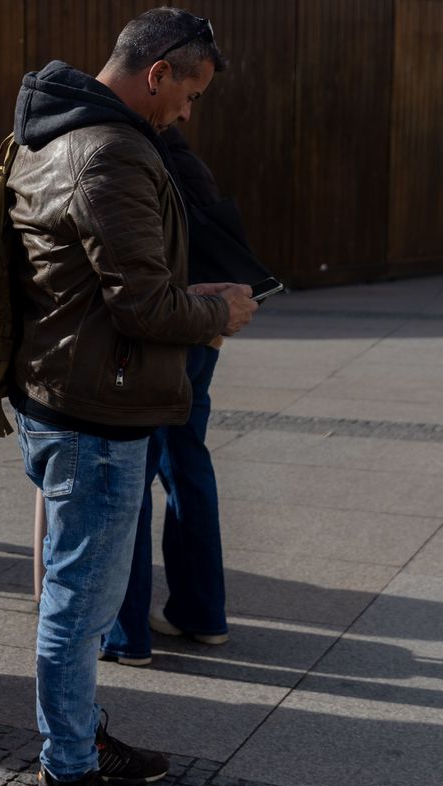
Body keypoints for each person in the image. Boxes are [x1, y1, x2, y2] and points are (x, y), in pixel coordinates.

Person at [8, 8, 256, 786]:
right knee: (81, 606)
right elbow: (141, 302)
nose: (189, 110)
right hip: (95, 412)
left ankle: (82, 736)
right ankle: (65, 780)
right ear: (158, 73)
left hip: (65, 393)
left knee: (87, 595)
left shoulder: (54, 128)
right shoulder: (110, 150)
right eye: (190, 90)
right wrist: (219, 306)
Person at [102, 123, 263, 667]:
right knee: (188, 461)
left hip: (160, 333)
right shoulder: (188, 165)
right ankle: (202, 613)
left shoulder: (126, 161)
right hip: (206, 330)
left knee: (131, 471)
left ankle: (127, 635)